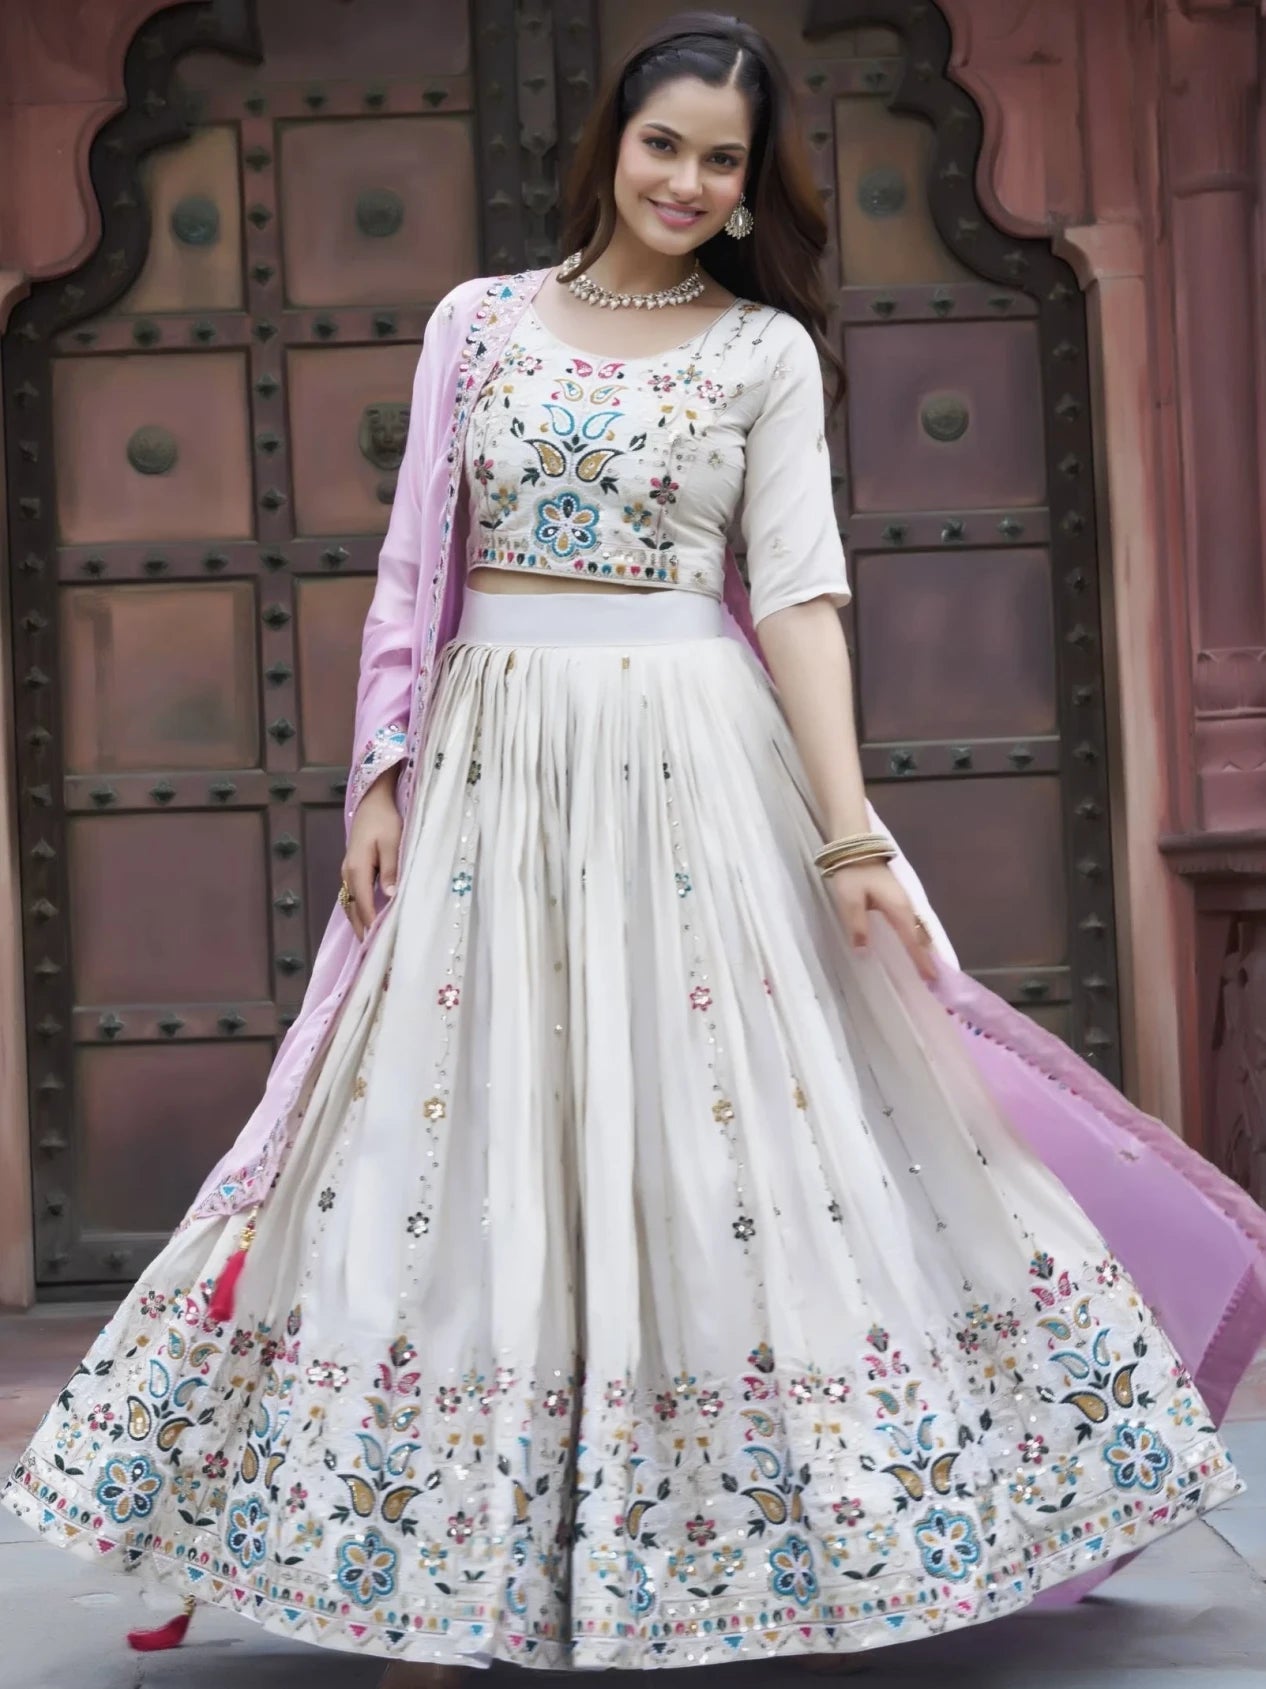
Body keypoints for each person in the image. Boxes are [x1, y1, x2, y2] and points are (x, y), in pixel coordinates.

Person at [5, 14, 1265, 1686]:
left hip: (691, 759)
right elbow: (412, 569)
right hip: (490, 767)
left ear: (751, 191)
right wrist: (380, 770)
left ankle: (779, 1545)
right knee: (458, 1141)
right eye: (663, 141)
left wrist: (846, 833)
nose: (686, 178)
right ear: (612, 141)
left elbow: (803, 600)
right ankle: (434, 1579)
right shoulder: (478, 323)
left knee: (721, 1141)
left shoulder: (761, 354)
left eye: (721, 159)